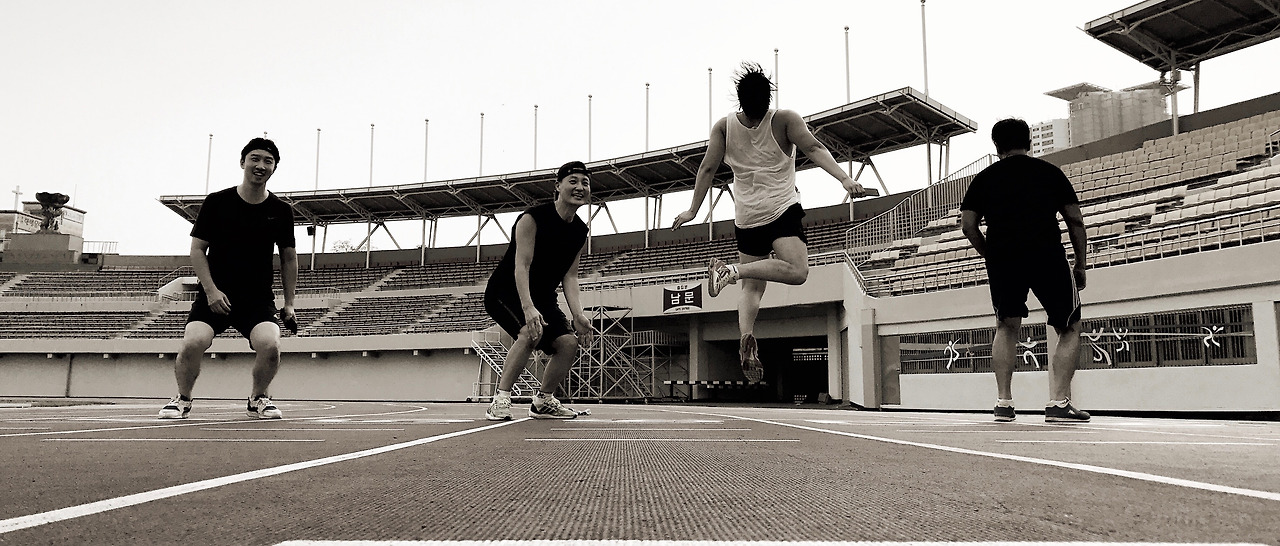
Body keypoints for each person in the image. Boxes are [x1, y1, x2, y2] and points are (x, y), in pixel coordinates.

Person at [672, 61, 867, 383]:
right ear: (769, 98)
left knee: (752, 288)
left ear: (740, 100)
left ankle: (745, 336)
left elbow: (707, 168)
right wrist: (844, 178)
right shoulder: (785, 119)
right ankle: (731, 270)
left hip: (746, 216)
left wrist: (693, 210)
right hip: (781, 209)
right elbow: (814, 147)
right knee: (797, 271)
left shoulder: (723, 127)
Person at [959, 118, 1090, 423]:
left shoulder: (984, 178)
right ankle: (1059, 402)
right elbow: (1075, 221)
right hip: (1047, 254)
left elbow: (968, 225)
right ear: (1029, 142)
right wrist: (1080, 263)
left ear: (997, 146)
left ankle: (1004, 403)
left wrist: (990, 255)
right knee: (1069, 325)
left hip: (1004, 258)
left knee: (1006, 326)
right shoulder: (1050, 172)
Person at [159, 137, 297, 420]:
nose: (261, 165)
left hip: (257, 299)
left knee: (270, 344)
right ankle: (182, 399)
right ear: (243, 162)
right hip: (215, 295)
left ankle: (258, 398)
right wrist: (211, 291)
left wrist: (290, 303)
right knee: (193, 342)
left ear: (275, 168)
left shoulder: (281, 211)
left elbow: (288, 258)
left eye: (268, 161)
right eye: (255, 158)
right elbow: (197, 250)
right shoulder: (217, 202)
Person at [484, 160, 595, 420]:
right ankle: (500, 400)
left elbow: (570, 276)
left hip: (543, 297)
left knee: (568, 343)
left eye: (585, 183)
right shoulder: (532, 218)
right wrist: (527, 307)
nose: (580, 187)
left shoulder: (580, 231)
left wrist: (578, 314)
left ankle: (543, 402)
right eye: (573, 181)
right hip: (506, 291)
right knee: (529, 332)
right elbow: (521, 266)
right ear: (557, 186)